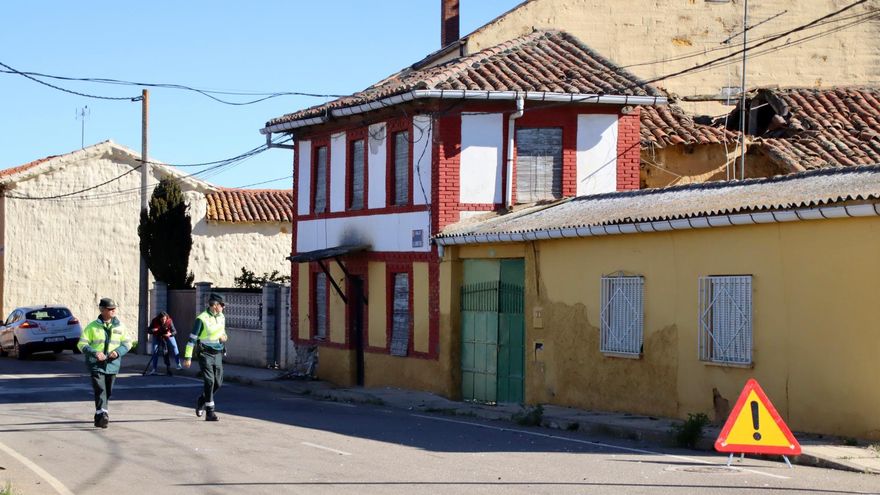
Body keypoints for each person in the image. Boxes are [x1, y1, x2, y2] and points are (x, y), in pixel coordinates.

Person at [76, 298, 132, 429]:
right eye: (110, 309)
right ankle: (103, 416)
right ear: (102, 310)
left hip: (113, 364)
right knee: (100, 389)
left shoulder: (120, 326)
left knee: (108, 391)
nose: (113, 311)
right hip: (96, 363)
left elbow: (127, 343)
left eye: (114, 309)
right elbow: (81, 344)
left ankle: (98, 417)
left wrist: (117, 352)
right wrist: (95, 353)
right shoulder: (92, 327)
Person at [183, 293, 227, 422]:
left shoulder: (221, 317)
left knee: (218, 383)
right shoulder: (201, 319)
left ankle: (202, 399)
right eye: (222, 305)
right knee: (209, 381)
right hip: (205, 353)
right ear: (215, 305)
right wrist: (188, 357)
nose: (224, 307)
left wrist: (225, 337)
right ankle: (210, 412)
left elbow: (223, 332)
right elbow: (192, 339)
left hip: (217, 353)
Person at [145, 311, 181, 375]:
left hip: (167, 335)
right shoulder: (155, 321)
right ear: (159, 318)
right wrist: (153, 330)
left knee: (174, 346)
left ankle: (178, 364)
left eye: (165, 319)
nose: (164, 321)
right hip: (157, 336)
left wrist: (170, 334)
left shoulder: (169, 321)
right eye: (162, 319)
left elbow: (175, 331)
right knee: (155, 351)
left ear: (166, 318)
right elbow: (148, 330)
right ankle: (154, 368)